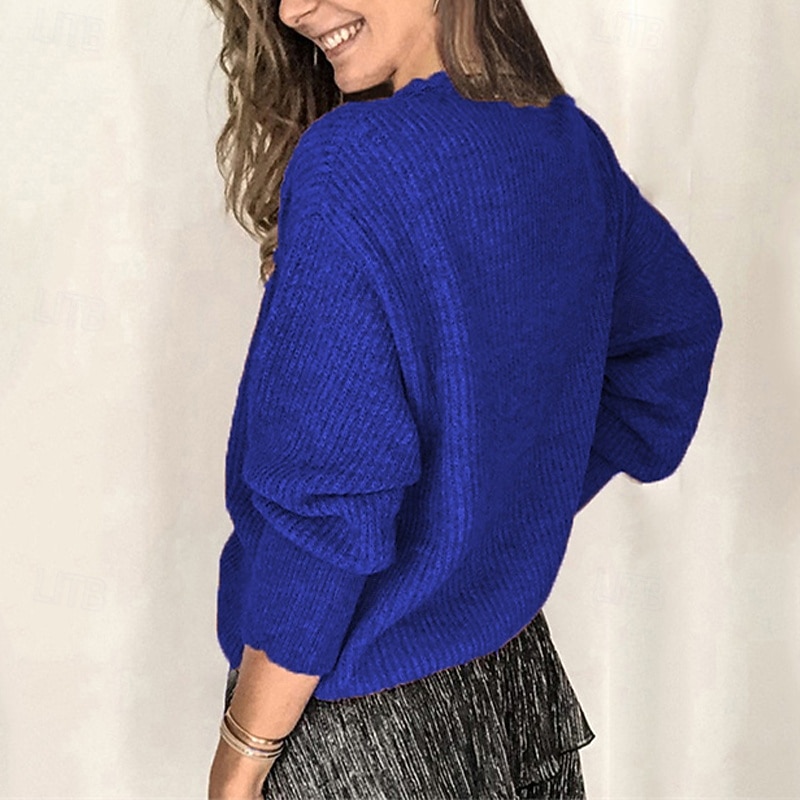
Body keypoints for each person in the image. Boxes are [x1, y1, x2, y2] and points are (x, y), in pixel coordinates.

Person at [205, 1, 724, 798]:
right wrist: (489, 507)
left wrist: (238, 766)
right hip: (517, 688)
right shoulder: (566, 143)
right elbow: (675, 337)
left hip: (362, 733)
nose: (292, 9)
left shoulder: (353, 164)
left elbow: (325, 518)